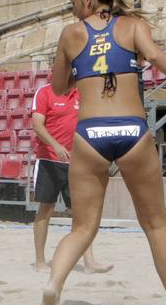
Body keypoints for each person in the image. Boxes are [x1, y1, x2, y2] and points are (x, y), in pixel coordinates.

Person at [40, 0, 166, 305]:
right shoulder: (132, 25)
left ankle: (54, 285)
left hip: (91, 134)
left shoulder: (72, 34)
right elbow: (159, 58)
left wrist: (75, 68)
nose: (71, 9)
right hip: (131, 129)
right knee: (155, 225)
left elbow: (58, 88)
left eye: (73, 2)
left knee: (83, 228)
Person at [30, 80, 110, 273]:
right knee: (45, 209)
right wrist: (55, 145)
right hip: (49, 160)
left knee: (81, 214)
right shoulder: (45, 92)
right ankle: (40, 261)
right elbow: (37, 125)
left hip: (77, 162)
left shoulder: (81, 93)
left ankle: (89, 262)